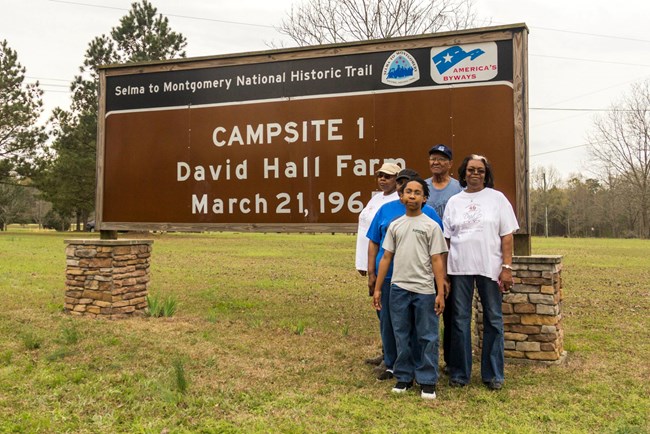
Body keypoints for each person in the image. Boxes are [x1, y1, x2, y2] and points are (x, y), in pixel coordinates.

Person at [443, 154, 519, 390]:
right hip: (459, 267)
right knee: (459, 320)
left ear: (486, 175)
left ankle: (493, 374)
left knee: (494, 319)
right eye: (471, 170)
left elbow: (506, 235)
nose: (475, 174)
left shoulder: (497, 199)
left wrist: (506, 268)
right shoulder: (454, 201)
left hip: (490, 268)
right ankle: (459, 373)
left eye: (481, 171)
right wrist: (444, 273)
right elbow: (446, 238)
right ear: (464, 172)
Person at [372, 177, 448, 399]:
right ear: (402, 196)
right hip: (398, 289)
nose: (412, 196)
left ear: (424, 198)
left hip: (424, 289)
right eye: (408, 192)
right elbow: (386, 257)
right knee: (401, 333)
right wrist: (378, 289)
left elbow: (437, 260)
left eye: (417, 192)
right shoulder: (395, 225)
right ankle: (403, 376)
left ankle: (427, 380)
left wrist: (440, 291)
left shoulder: (431, 226)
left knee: (427, 336)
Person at [355, 162, 401, 366]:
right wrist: (364, 264)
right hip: (371, 262)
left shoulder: (398, 201)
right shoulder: (376, 198)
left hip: (387, 266)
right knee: (380, 310)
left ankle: (391, 356)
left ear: (398, 180)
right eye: (380, 175)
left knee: (389, 313)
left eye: (388, 176)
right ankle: (386, 351)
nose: (383, 179)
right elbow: (367, 234)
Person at [424, 143, 462, 374]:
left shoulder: (458, 189)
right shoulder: (422, 187)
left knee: (453, 313)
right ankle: (425, 359)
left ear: (450, 163)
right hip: (425, 258)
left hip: (453, 256)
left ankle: (452, 361)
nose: (435, 162)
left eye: (441, 159)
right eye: (432, 159)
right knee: (425, 312)